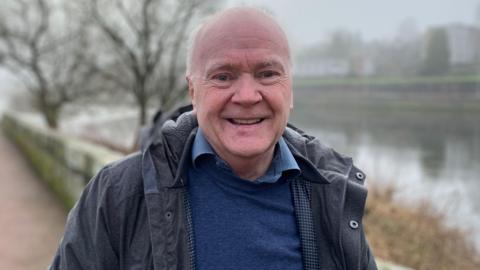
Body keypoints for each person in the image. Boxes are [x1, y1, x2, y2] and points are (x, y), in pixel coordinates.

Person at [50, 7, 377, 270]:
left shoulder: (331, 191)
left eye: (267, 74)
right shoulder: (118, 193)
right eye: (223, 76)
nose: (248, 96)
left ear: (289, 88)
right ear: (193, 91)